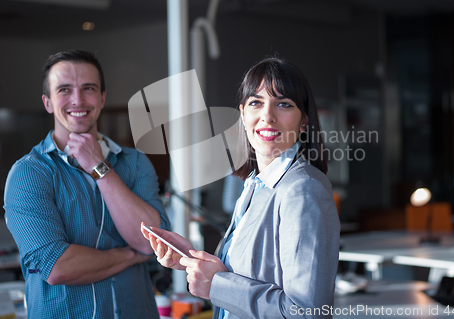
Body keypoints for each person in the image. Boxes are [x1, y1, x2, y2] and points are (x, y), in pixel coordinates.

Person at [142, 57, 340, 318]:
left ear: (304, 121)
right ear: (243, 115)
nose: (267, 116)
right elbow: (250, 273)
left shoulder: (303, 190)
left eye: (283, 104)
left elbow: (306, 312)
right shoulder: (254, 184)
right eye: (256, 103)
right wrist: (190, 259)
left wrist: (217, 285)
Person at [4, 50, 170, 318]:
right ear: (48, 102)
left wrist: (99, 167)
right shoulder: (28, 173)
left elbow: (153, 244)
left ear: (102, 97)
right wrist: (131, 256)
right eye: (64, 90)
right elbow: (57, 266)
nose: (78, 100)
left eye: (88, 88)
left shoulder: (135, 162)